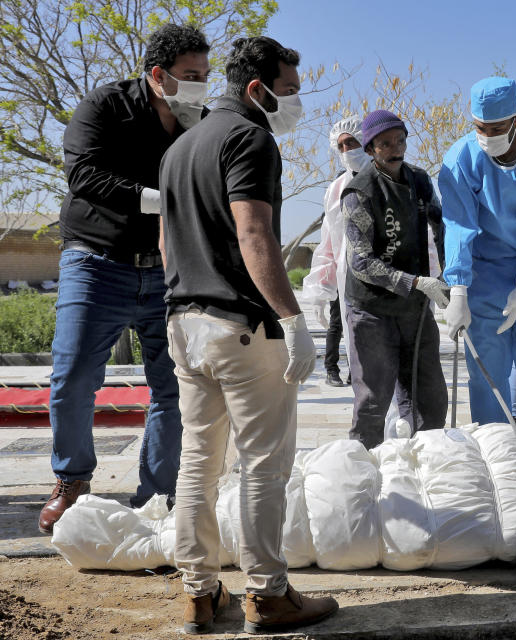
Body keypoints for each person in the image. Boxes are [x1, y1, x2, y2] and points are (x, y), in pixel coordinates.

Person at [159, 36, 337, 634]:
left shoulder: (179, 148)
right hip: (240, 328)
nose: (295, 104)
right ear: (257, 90)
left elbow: (165, 244)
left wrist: (184, 301)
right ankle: (268, 596)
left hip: (184, 324)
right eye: (288, 92)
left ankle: (199, 596)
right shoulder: (249, 138)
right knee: (263, 466)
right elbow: (254, 235)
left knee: (197, 464)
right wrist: (291, 319)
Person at [39, 23, 211, 535]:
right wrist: (158, 200)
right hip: (96, 264)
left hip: (167, 270)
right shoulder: (104, 106)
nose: (200, 84)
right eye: (190, 75)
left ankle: (157, 495)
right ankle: (72, 481)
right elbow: (84, 175)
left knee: (174, 388)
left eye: (205, 74)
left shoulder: (198, 121)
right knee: (72, 381)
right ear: (158, 75)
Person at [440, 77, 516, 425]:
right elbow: (459, 226)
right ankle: (495, 453)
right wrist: (460, 290)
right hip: (484, 275)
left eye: (496, 128)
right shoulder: (460, 159)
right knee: (487, 377)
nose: (487, 136)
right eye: (480, 127)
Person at [341, 109, 449, 449]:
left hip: (415, 311)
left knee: (430, 401)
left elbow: (442, 225)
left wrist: (450, 275)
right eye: (385, 144)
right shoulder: (359, 192)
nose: (394, 148)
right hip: (372, 310)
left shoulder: (419, 181)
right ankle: (364, 476)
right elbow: (360, 262)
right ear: (371, 149)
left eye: (400, 140)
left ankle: (427, 472)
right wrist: (415, 282)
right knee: (373, 403)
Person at [302, 116, 367, 387]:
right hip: (347, 279)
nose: (346, 150)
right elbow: (328, 242)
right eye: (340, 146)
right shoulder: (336, 189)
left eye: (351, 142)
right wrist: (319, 287)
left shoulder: (395, 177)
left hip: (387, 280)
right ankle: (340, 372)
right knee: (343, 329)